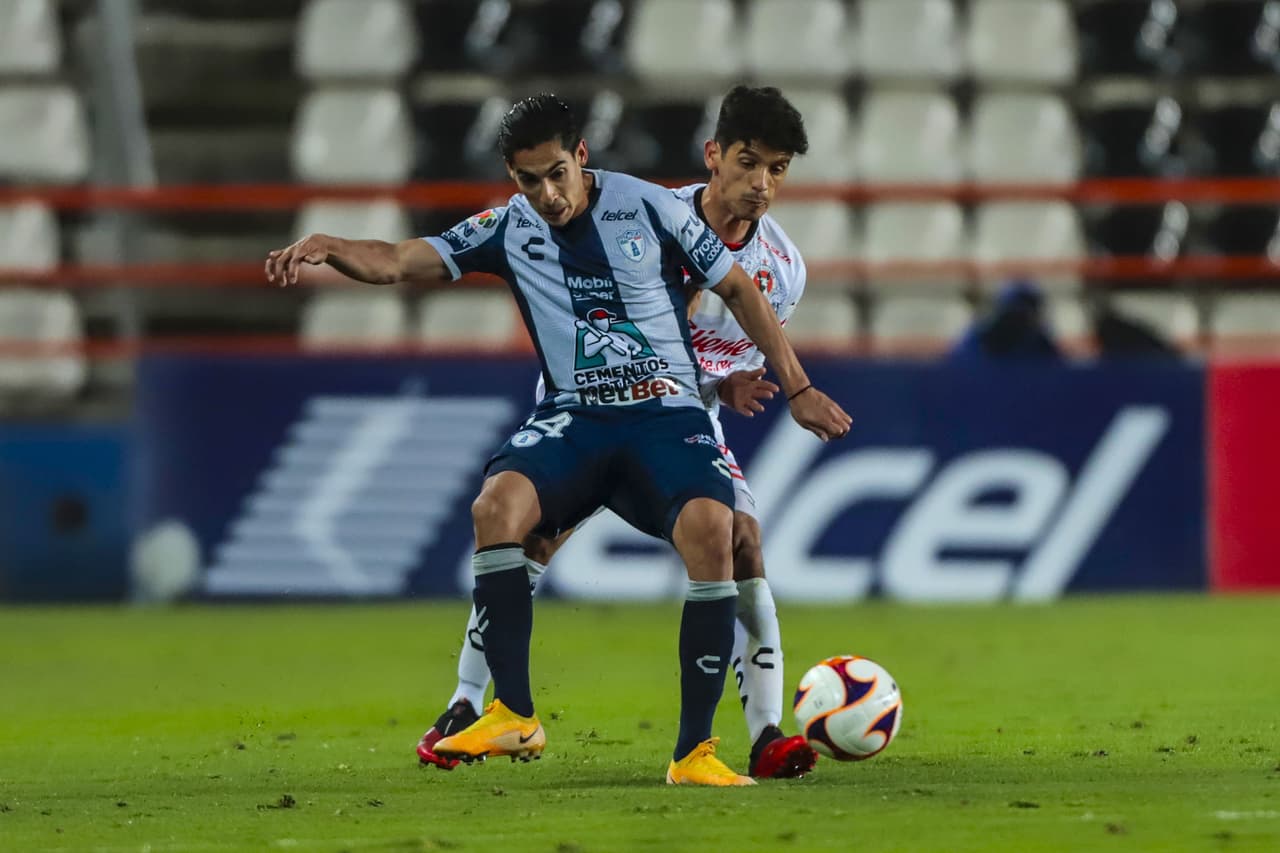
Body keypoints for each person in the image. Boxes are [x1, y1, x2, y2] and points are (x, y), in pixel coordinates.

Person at [265, 93, 851, 787]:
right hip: (576, 415)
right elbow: (398, 259)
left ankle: (730, 741)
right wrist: (333, 246)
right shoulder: (512, 226)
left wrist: (787, 386)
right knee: (505, 518)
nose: (545, 194)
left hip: (669, 414)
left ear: (581, 158)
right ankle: (488, 706)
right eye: (527, 180)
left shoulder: (667, 216)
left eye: (556, 174)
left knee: (725, 533)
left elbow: (736, 305)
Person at [416, 85, 823, 781]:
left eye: (777, 170)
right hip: (584, 406)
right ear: (714, 156)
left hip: (676, 416)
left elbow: (727, 348)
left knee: (740, 538)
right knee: (531, 538)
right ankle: (466, 700)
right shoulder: (653, 214)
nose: (761, 184)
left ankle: (765, 733)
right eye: (749, 163)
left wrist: (728, 383)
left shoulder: (781, 271)